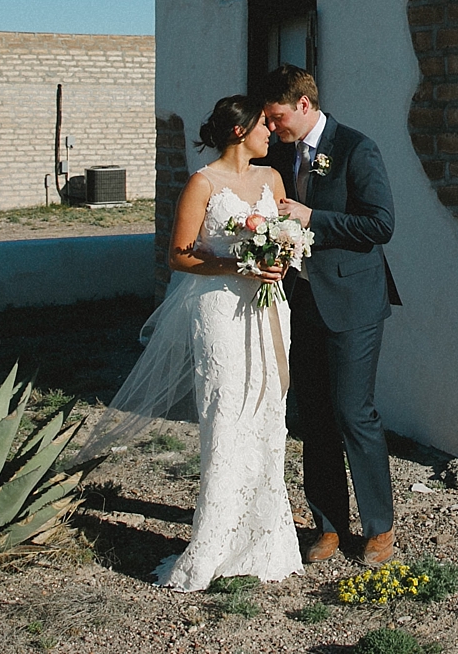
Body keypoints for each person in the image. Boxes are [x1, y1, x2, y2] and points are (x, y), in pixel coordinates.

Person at [72, 95, 301, 591]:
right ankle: (214, 541)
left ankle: (265, 540)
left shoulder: (272, 180)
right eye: (264, 124)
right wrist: (237, 264)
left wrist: (280, 258)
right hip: (219, 309)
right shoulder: (203, 183)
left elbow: (285, 234)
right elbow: (179, 256)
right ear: (240, 131)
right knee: (226, 413)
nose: (271, 131)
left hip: (268, 308)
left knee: (267, 412)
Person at [255, 64, 401, 567]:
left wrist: (314, 218)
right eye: (268, 122)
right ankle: (329, 525)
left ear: (303, 104)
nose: (272, 129)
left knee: (352, 413)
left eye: (277, 119)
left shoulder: (357, 148)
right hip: (302, 302)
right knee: (314, 417)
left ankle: (379, 527)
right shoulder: (279, 153)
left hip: (354, 303)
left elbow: (381, 223)